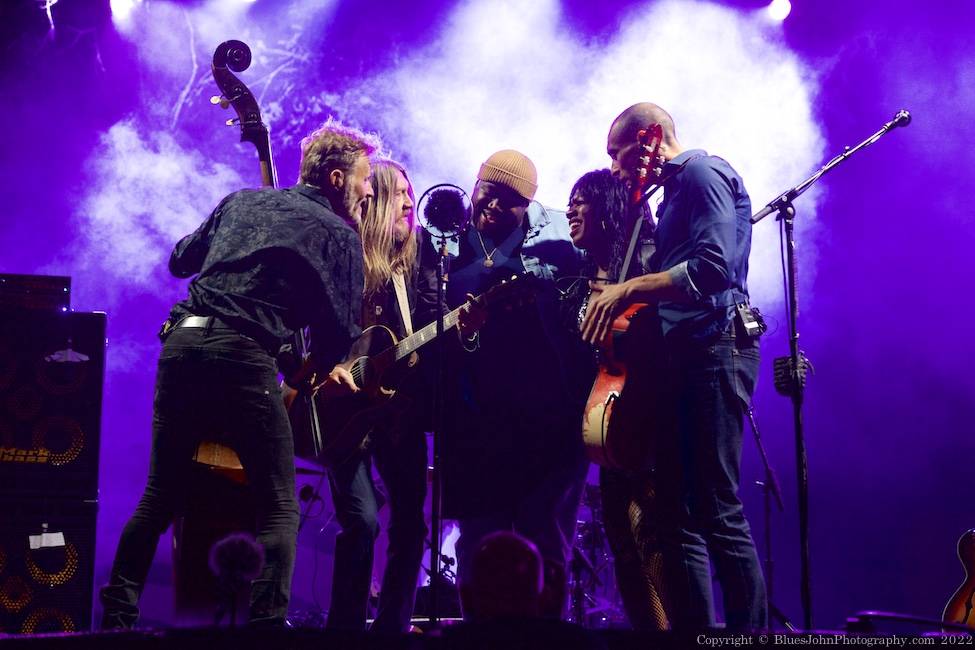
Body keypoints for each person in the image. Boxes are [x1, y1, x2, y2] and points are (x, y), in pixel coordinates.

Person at [98, 118, 377, 628]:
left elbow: (182, 260)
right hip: (245, 356)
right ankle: (266, 629)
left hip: (182, 343)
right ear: (337, 179)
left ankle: (116, 619)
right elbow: (337, 339)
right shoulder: (339, 234)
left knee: (161, 493)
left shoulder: (242, 200)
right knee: (278, 507)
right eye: (365, 181)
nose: (368, 193)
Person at [581, 102, 767, 630]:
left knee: (715, 506)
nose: (615, 170)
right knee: (673, 516)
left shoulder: (703, 173)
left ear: (648, 139)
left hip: (715, 349)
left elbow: (713, 268)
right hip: (686, 356)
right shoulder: (668, 198)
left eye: (617, 156)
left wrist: (628, 288)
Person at [415, 149, 590, 593]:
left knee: (545, 535)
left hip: (547, 418)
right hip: (474, 419)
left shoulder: (557, 237)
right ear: (474, 187)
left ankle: (546, 635)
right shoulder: (444, 239)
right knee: (478, 539)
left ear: (527, 205)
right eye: (487, 192)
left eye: (508, 200)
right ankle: (478, 635)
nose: (492, 205)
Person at [324, 158, 430, 633]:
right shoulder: (343, 258)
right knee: (363, 523)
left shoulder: (417, 265)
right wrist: (329, 368)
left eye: (412, 194)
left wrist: (464, 327)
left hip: (397, 412)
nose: (411, 202)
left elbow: (425, 334)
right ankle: (344, 632)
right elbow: (309, 329)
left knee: (410, 527)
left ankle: (392, 631)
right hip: (340, 413)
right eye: (402, 194)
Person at [564, 169, 668, 630]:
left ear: (608, 208)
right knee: (623, 545)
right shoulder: (581, 276)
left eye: (581, 201)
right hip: (606, 428)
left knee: (655, 539)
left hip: (646, 424)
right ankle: (651, 634)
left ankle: (682, 634)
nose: (570, 209)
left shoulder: (649, 267)